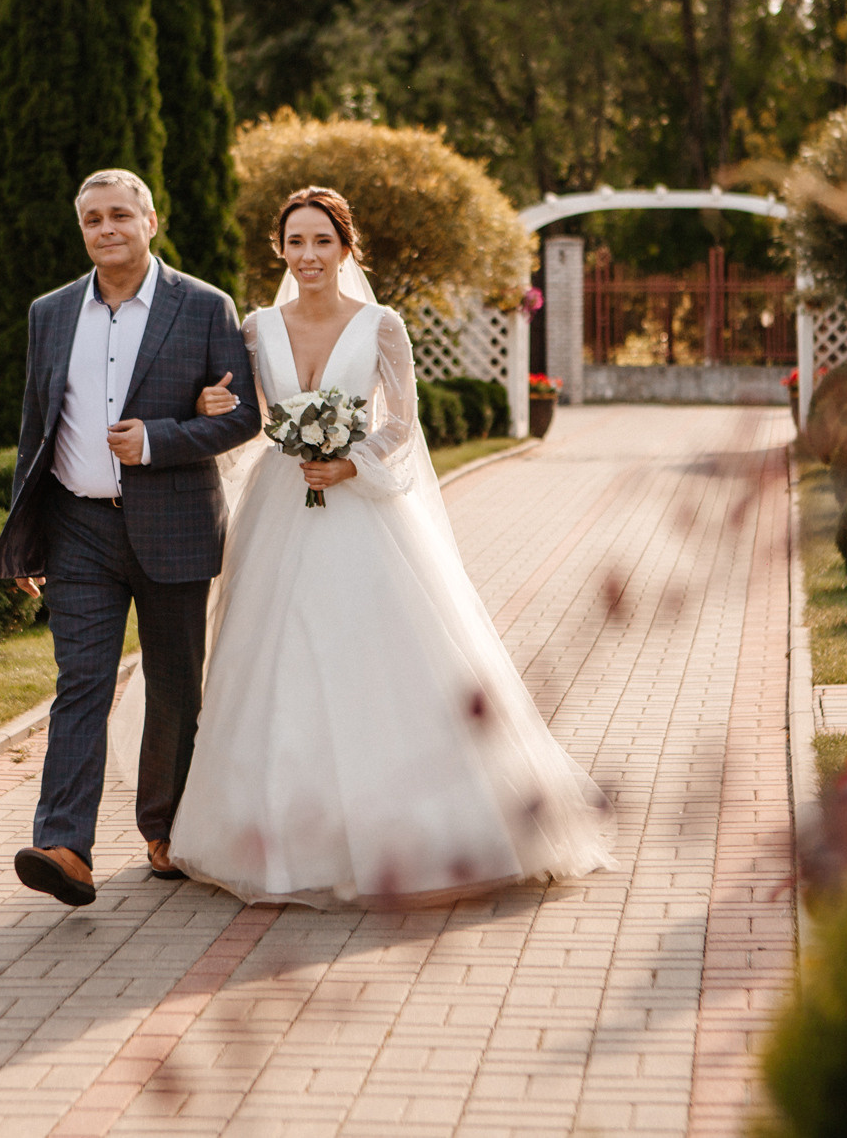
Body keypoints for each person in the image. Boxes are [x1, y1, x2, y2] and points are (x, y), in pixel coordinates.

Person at [164, 186, 614, 907]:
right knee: (273, 655)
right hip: (281, 502)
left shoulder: (381, 325)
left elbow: (402, 423)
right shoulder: (254, 328)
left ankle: (412, 829)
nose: (308, 255)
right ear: (279, 249)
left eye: (321, 240)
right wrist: (209, 407)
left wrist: (349, 462)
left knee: (371, 653)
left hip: (358, 504)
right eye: (295, 242)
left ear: (346, 248)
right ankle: (275, 836)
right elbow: (246, 415)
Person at [0, 168, 260, 907]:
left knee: (175, 686)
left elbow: (242, 417)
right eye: (92, 220)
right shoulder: (49, 313)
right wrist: (28, 534)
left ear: (151, 221)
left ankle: (165, 827)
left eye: (119, 215)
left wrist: (161, 437)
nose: (106, 229)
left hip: (174, 523)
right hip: (78, 528)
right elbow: (33, 429)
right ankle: (64, 844)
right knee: (81, 680)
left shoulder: (205, 306)